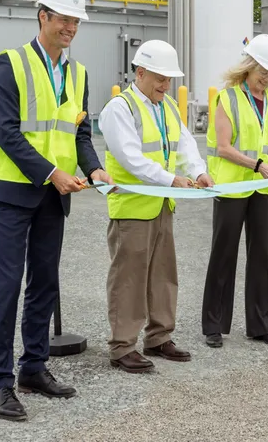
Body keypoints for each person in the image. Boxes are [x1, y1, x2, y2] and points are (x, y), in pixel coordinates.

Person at [0, 0, 112, 422]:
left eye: (76, 21)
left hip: (55, 194)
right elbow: (7, 132)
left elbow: (79, 133)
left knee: (44, 283)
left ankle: (33, 368)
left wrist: (93, 168)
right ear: (43, 17)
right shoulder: (10, 63)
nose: (71, 27)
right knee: (8, 283)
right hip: (15, 190)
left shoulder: (78, 73)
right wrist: (53, 173)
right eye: (64, 19)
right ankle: (0, 382)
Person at [99, 39, 213, 374]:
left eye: (169, 79)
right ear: (141, 72)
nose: (166, 85)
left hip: (162, 206)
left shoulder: (166, 108)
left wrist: (199, 171)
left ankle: (159, 337)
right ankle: (122, 347)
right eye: (160, 78)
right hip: (133, 208)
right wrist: (171, 180)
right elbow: (130, 159)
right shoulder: (121, 109)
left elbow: (185, 143)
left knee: (164, 275)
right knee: (129, 278)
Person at [201, 34, 268, 349]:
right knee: (224, 253)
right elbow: (222, 147)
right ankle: (214, 326)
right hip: (234, 185)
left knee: (262, 254)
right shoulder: (227, 98)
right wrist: (257, 165)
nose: (266, 78)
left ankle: (261, 326)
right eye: (262, 71)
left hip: (264, 187)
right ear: (249, 65)